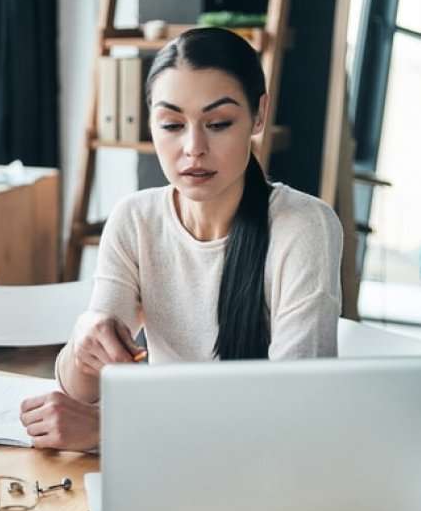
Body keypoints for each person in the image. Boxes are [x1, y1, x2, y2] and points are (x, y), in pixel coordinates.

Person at [21, 27, 343, 451]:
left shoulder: (303, 227)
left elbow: (294, 412)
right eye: (172, 124)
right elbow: (82, 390)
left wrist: (111, 429)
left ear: (258, 115)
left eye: (218, 123)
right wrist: (84, 344)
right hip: (164, 459)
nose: (193, 147)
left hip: (265, 472)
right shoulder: (135, 218)